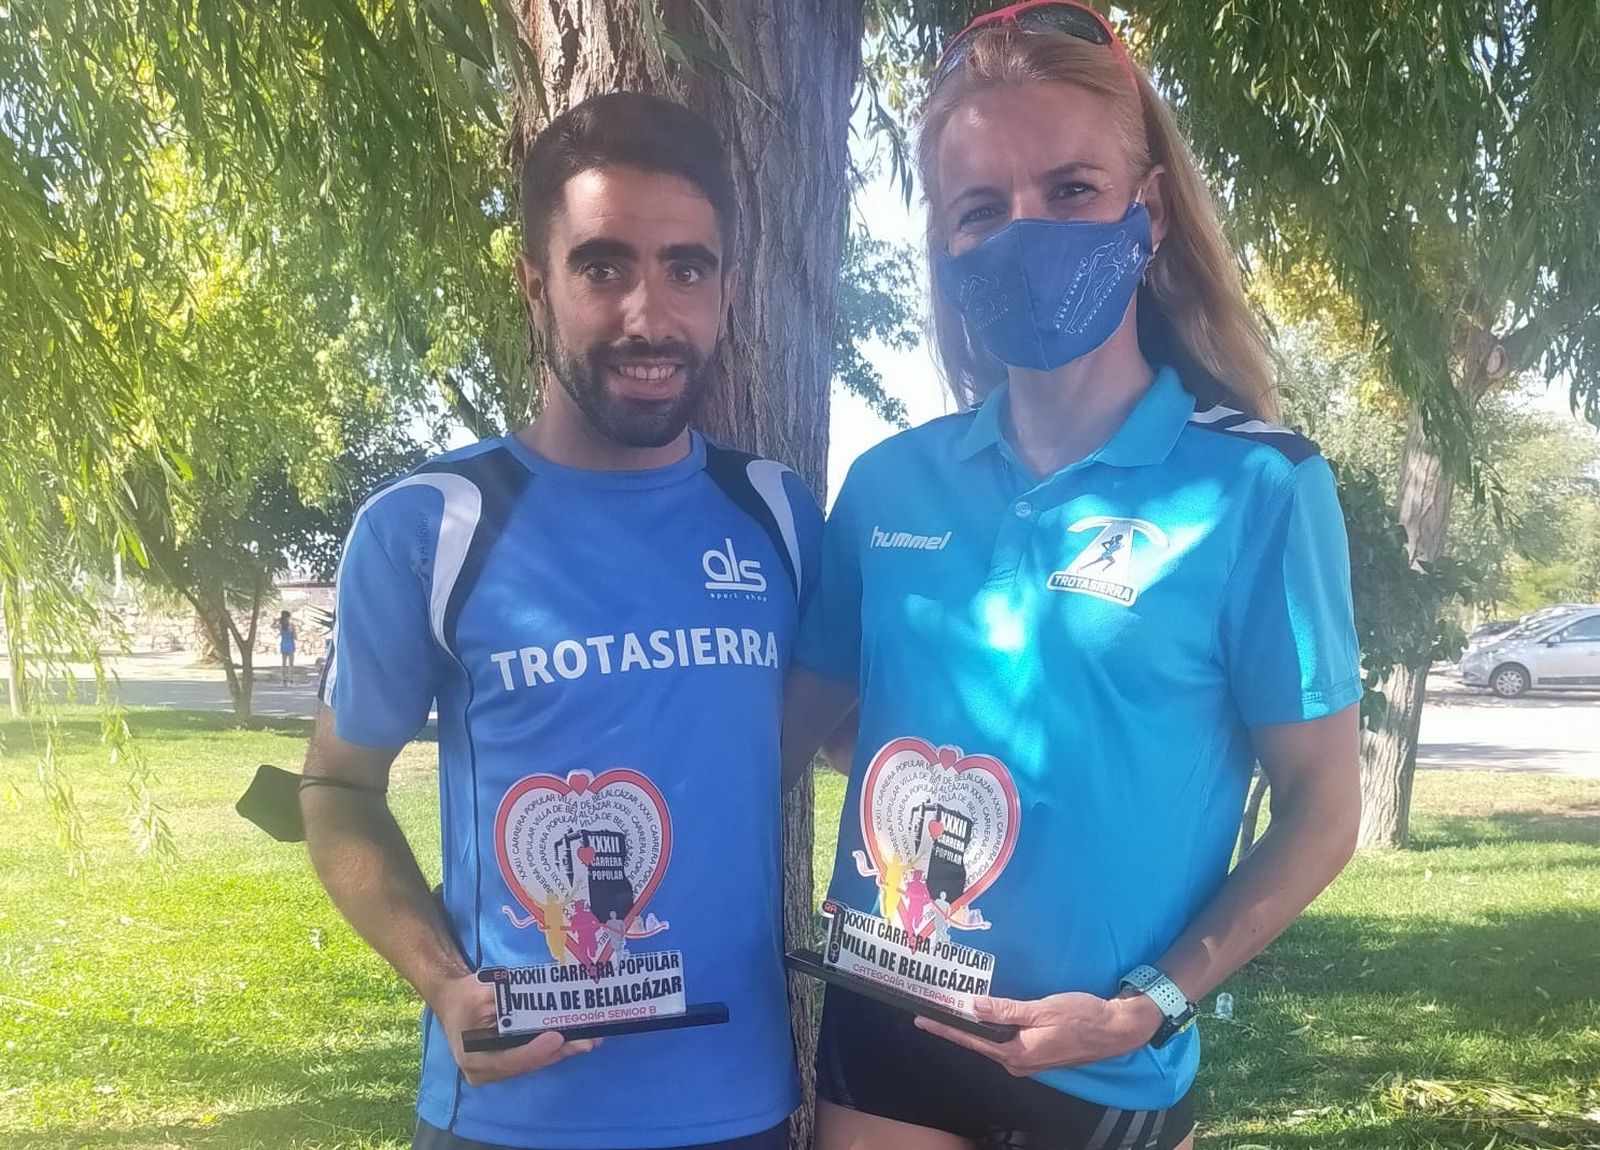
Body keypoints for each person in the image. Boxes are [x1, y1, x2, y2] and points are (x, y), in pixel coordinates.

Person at [781, 4, 1363, 1148]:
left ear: (1144, 214)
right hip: (885, 1025)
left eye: (1071, 189)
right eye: (980, 209)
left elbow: (1321, 808)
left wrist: (1144, 1001)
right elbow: (802, 727)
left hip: (1104, 1064)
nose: (1025, 230)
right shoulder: (889, 485)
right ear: (944, 249)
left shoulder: (1260, 490)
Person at [300, 92, 820, 1150]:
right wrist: (445, 986)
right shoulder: (430, 527)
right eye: (602, 266)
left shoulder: (779, 515)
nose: (649, 315)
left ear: (724, 285)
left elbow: (833, 735)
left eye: (686, 267)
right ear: (536, 285)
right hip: (510, 1117)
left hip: (741, 1104)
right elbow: (335, 786)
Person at [277, 610, 297, 686]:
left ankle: (283, 680)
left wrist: (277, 620)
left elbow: (272, 626)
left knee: (284, 663)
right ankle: (291, 681)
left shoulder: (280, 626)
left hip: (283, 644)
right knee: (291, 664)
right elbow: (295, 636)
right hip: (290, 644)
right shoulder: (291, 626)